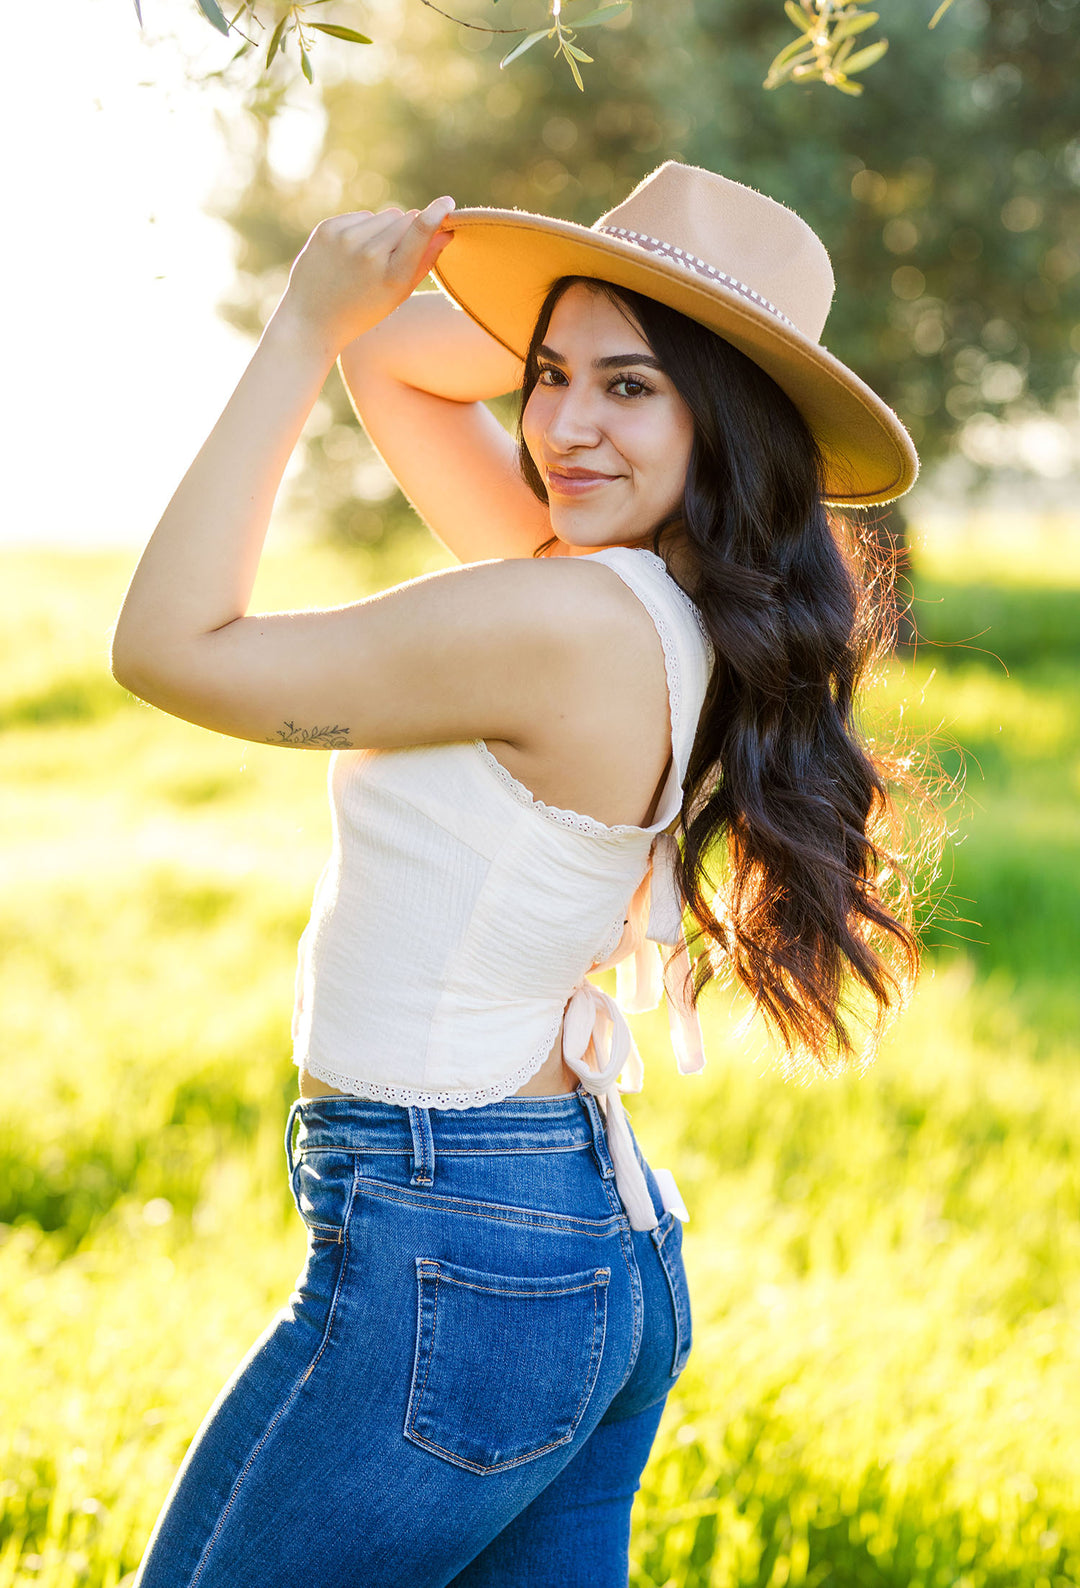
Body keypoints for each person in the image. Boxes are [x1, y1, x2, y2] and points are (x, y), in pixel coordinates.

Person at [112, 159, 924, 1587]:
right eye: (548, 377)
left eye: (630, 388)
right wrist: (582, 303)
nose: (557, 425)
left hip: (457, 1249)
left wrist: (304, 322)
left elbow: (168, 649)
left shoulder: (560, 616)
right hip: (578, 1246)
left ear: (724, 420)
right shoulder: (658, 601)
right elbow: (411, 372)